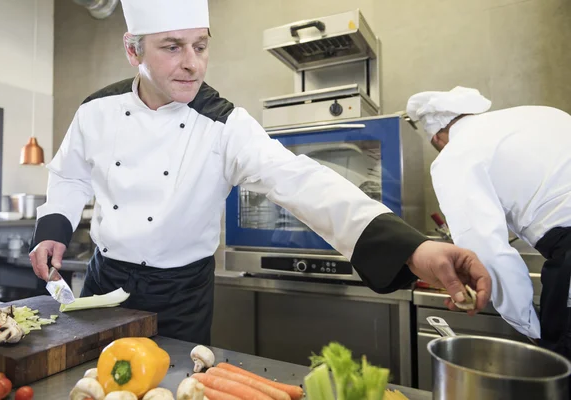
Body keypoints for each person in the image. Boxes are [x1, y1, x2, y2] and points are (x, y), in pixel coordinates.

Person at [29, 0, 491, 345]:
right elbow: (71, 175)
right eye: (172, 47)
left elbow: (299, 181)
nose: (193, 63)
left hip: (182, 295)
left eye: (201, 45)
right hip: (104, 282)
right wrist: (54, 227)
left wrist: (413, 248)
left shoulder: (224, 124)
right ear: (133, 52)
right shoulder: (96, 111)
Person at [406, 86, 571, 357]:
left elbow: (486, 252)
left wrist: (532, 329)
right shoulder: (540, 115)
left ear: (437, 138)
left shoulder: (455, 153)